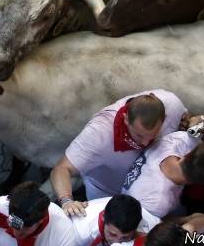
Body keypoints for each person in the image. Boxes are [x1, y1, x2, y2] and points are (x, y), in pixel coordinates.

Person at [51, 90, 187, 215]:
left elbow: (186, 120)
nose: (145, 144)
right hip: (108, 194)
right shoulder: (98, 134)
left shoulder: (172, 105)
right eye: (139, 136)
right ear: (126, 119)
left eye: (153, 136)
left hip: (157, 186)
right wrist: (66, 201)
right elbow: (62, 169)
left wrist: (191, 123)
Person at [122, 135, 204, 218]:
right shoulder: (159, 202)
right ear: (203, 184)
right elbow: (158, 223)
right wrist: (189, 220)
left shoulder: (182, 140)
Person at [0, 181, 77, 246]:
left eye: (25, 228)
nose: (16, 232)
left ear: (41, 220)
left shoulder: (64, 233)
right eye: (13, 222)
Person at [72, 195, 160, 246]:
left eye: (125, 237)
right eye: (112, 234)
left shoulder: (152, 226)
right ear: (103, 218)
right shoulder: (81, 229)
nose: (116, 242)